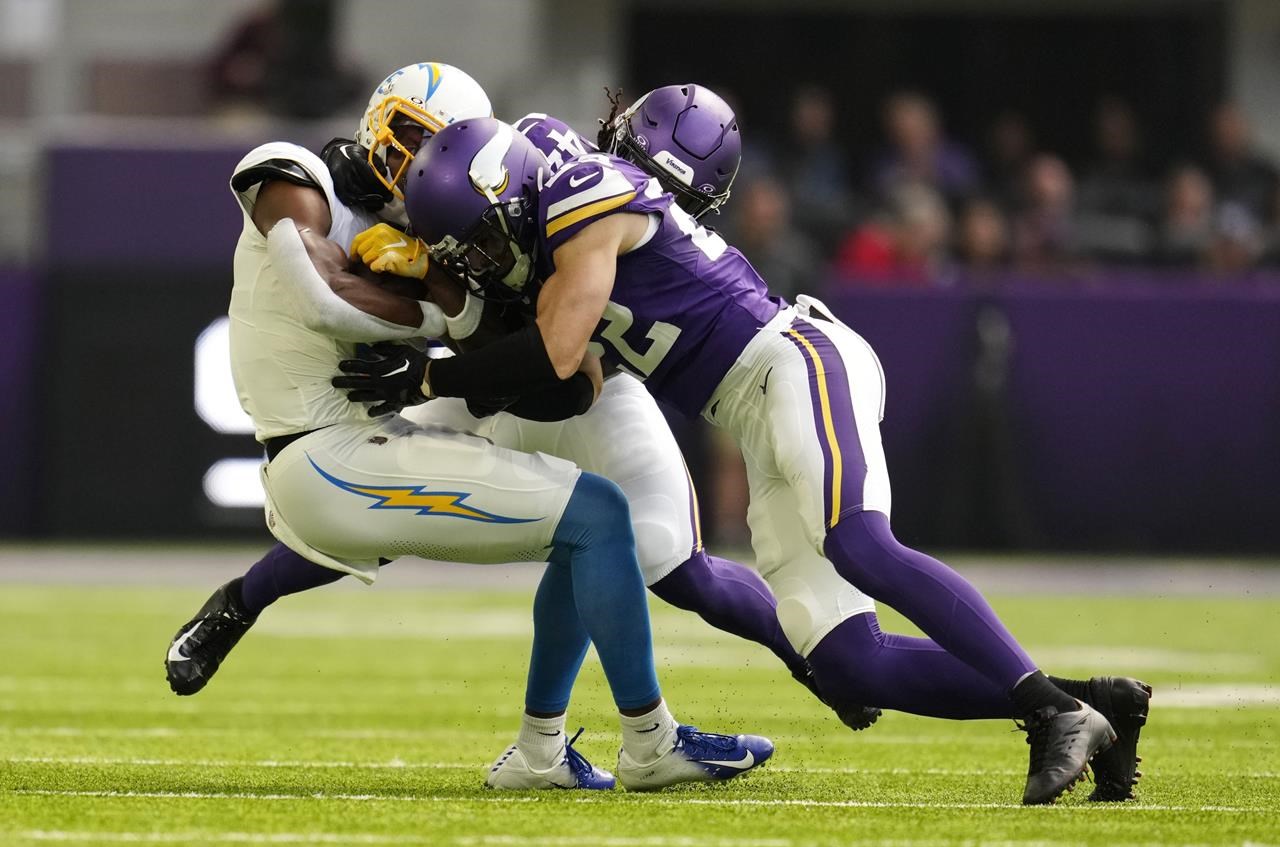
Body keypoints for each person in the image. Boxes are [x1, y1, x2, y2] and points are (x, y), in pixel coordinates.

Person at [337, 115, 1153, 805]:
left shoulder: (579, 198)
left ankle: (1051, 711)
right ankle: (1091, 702)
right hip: (750, 413)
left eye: (480, 235)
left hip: (791, 360)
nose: (479, 255)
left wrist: (430, 373)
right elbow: (573, 381)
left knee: (858, 543)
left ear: (505, 191)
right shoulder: (536, 221)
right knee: (847, 661)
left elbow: (553, 352)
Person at [167, 78, 881, 738]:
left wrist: (433, 328)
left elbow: (568, 376)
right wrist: (433, 318)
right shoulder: (449, 189)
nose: (425, 166)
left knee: (671, 557)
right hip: (484, 381)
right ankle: (240, 601)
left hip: (574, 380)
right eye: (418, 144)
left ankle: (806, 659)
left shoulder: (549, 194)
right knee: (372, 502)